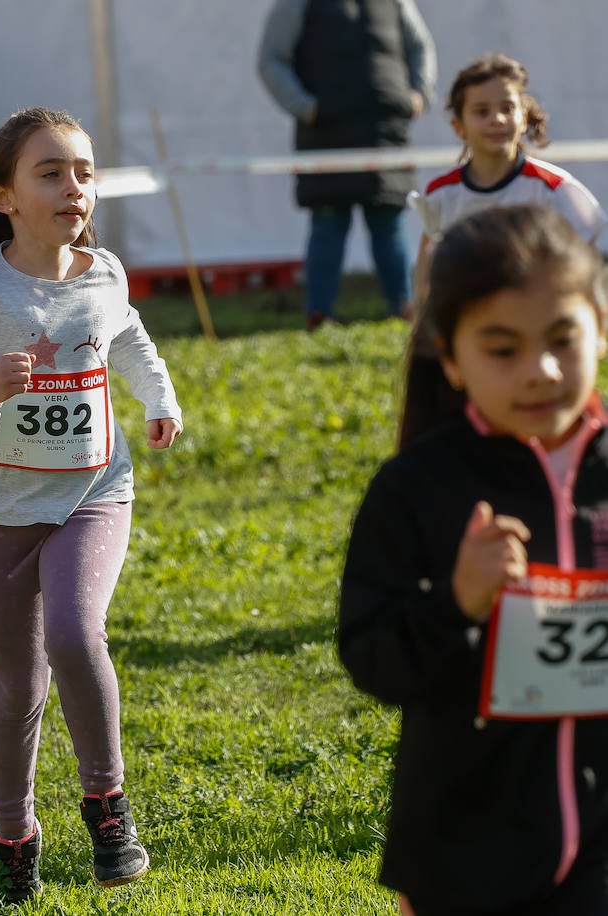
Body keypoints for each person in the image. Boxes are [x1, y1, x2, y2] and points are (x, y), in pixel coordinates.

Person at [0, 107, 182, 903]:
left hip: (94, 491)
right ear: (2, 195)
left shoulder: (104, 272)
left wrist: (158, 396)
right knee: (17, 686)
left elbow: (126, 335)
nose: (74, 187)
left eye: (86, 172)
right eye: (51, 172)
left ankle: (107, 805)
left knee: (73, 629)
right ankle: (13, 833)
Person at [338, 204, 608, 915]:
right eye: (502, 348)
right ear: (450, 357)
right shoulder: (417, 488)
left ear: (600, 330)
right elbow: (372, 657)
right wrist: (456, 602)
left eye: (562, 339)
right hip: (469, 850)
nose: (541, 370)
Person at [257, 0, 437, 329]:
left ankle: (403, 310)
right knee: (328, 224)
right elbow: (271, 60)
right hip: (325, 133)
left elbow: (419, 47)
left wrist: (418, 95)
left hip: (386, 133)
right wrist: (304, 107)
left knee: (389, 221)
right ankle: (320, 315)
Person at [408, 52, 607, 309]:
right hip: (469, 324)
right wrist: (424, 316)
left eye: (507, 108)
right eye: (482, 111)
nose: (497, 119)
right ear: (459, 126)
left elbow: (587, 259)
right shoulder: (441, 194)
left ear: (523, 118)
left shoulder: (555, 189)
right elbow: (428, 262)